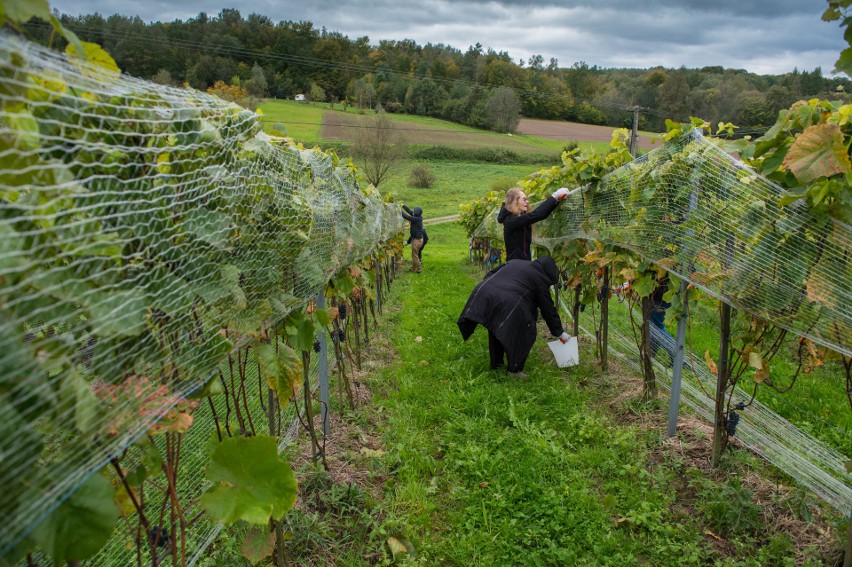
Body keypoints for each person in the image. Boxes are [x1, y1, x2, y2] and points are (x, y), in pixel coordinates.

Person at [457, 256, 570, 378]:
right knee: (526, 331)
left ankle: (496, 366)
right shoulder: (540, 277)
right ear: (548, 274)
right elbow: (548, 309)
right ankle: (514, 371)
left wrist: (496, 288)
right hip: (508, 300)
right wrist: (559, 332)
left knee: (495, 326)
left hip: (485, 292)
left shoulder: (515, 261)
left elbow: (490, 273)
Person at [497, 186, 577, 261]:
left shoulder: (519, 216)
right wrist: (554, 196)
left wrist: (557, 201)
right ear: (515, 201)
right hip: (515, 265)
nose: (527, 202)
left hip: (523, 262)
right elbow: (536, 215)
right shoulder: (511, 221)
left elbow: (542, 215)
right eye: (524, 199)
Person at [401, 204, 426, 273]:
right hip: (418, 239)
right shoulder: (417, 216)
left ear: (417, 212)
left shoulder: (416, 219)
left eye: (414, 211)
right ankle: (412, 269)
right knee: (414, 254)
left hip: (417, 240)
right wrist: (403, 206)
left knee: (414, 256)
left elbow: (407, 217)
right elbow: (409, 211)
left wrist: (399, 211)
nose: (413, 211)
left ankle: (419, 269)